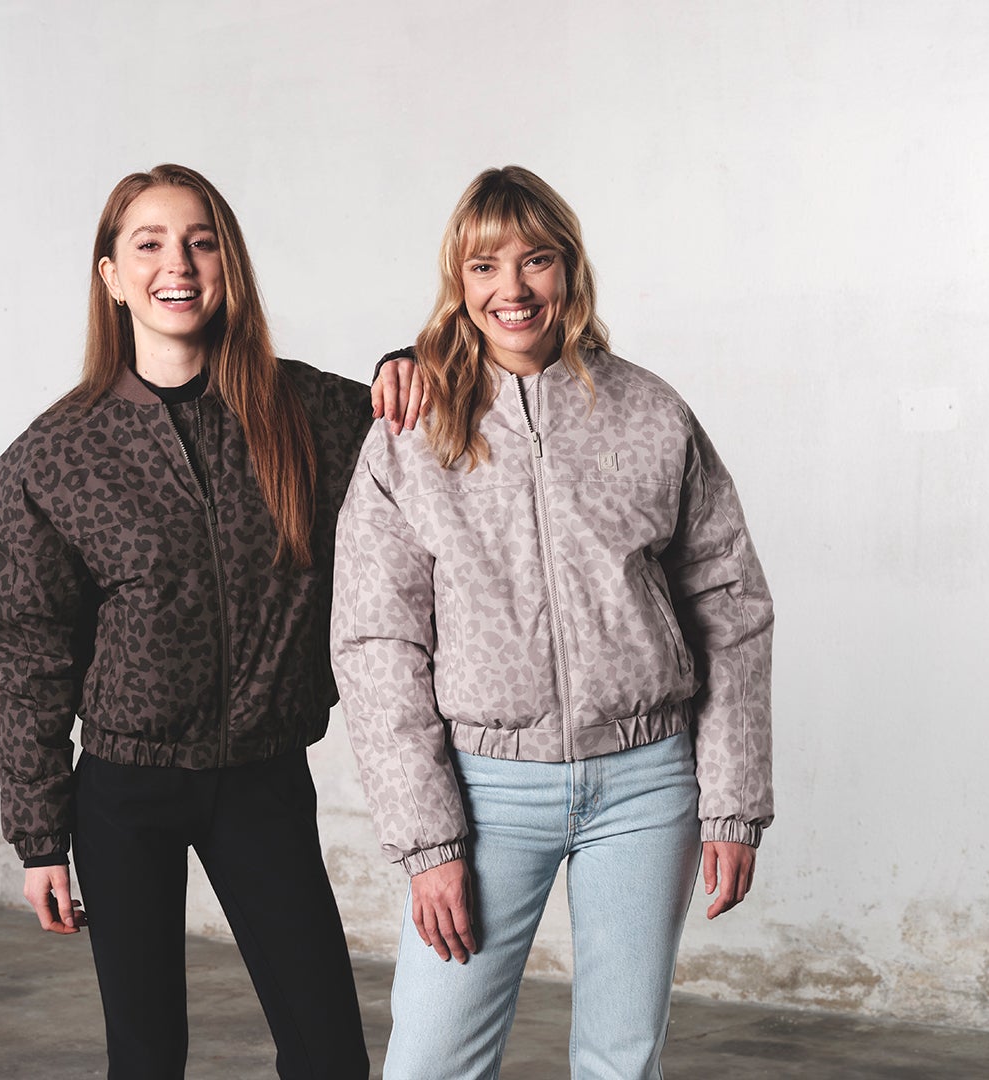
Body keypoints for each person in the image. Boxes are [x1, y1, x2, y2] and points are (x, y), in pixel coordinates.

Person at [331, 165, 776, 1080]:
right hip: (488, 791)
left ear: (569, 271)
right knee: (433, 1062)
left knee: (621, 1060)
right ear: (459, 280)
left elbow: (730, 608)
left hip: (650, 783)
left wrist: (732, 801)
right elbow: (378, 646)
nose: (513, 289)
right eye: (486, 266)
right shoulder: (413, 430)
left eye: (536, 261)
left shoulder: (652, 411)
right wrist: (430, 842)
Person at [0, 163, 409, 1079]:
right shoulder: (52, 456)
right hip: (124, 790)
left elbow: (418, 410)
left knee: (329, 1048)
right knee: (146, 1056)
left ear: (228, 266)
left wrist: (403, 364)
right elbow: (32, 656)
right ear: (111, 275)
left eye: (201, 241)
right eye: (149, 243)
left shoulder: (305, 412)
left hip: (262, 776)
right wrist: (38, 836)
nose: (178, 264)